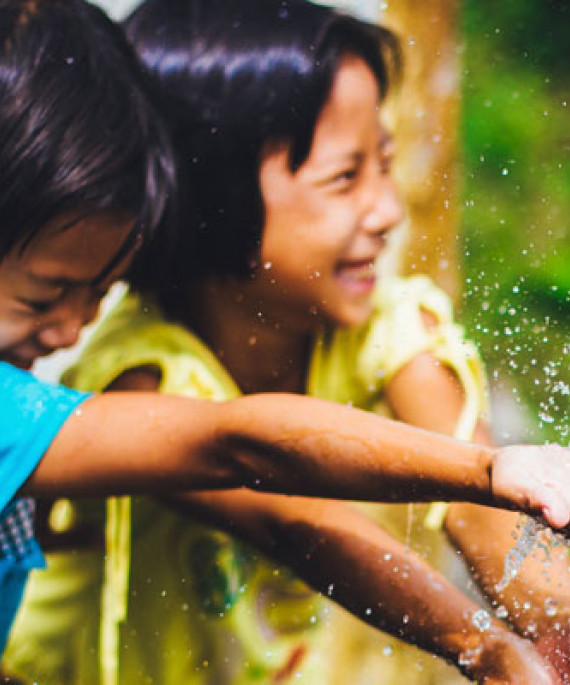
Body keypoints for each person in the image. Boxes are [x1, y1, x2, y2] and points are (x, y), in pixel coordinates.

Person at [6, 1, 570, 684]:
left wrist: (551, 618)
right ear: (216, 196)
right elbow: (286, 508)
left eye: (385, 165)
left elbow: (489, 521)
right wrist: (483, 643)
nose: (388, 210)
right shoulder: (138, 374)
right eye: (344, 177)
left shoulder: (385, 329)